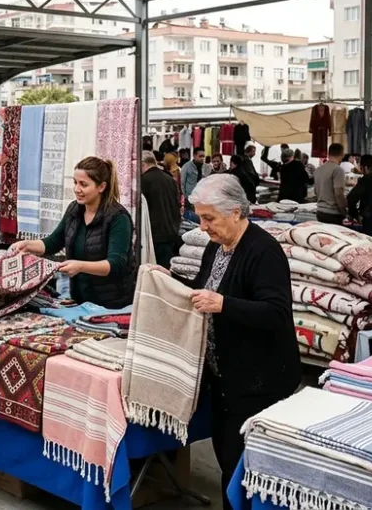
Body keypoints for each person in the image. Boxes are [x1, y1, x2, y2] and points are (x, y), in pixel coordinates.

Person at [178, 174, 301, 510]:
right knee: (229, 459)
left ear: (235, 212)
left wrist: (223, 304)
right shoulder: (216, 247)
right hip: (225, 378)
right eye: (200, 218)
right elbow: (205, 284)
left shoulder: (264, 252)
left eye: (209, 218)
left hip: (258, 381)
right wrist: (172, 282)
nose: (203, 227)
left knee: (244, 468)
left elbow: (276, 313)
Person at [10, 156, 136, 308]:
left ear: (101, 187)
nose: (77, 189)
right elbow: (53, 242)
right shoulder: (74, 210)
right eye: (75, 182)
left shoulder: (118, 218)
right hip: (80, 301)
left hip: (112, 304)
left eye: (83, 184)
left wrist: (80, 266)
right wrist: (27, 245)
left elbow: (116, 265)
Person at [140, 152, 181, 269]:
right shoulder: (169, 179)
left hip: (154, 232)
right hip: (170, 230)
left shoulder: (143, 180)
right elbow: (176, 204)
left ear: (143, 164)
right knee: (164, 270)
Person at [314, 143, 348, 224]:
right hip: (333, 214)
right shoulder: (338, 170)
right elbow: (339, 193)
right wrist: (345, 212)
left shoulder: (318, 169)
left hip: (320, 212)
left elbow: (316, 191)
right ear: (342, 155)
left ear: (329, 154)